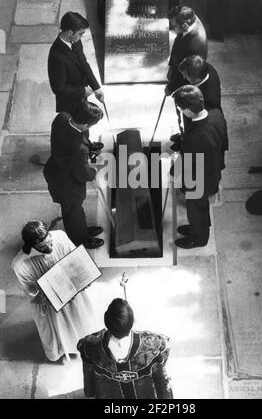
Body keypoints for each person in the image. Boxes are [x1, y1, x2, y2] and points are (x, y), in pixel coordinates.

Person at [12, 221, 98, 362]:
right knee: (60, 328)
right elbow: (33, 293)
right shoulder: (20, 264)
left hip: (74, 291)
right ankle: (65, 350)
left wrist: (84, 278)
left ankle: (83, 344)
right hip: (52, 304)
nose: (50, 247)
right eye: (43, 246)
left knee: (80, 317)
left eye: (49, 240)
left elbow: (75, 259)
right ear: (32, 245)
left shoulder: (59, 236)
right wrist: (56, 294)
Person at [77, 298, 173, 399]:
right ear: (132, 321)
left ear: (106, 320)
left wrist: (89, 393)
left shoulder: (89, 346)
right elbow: (163, 383)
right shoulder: (155, 344)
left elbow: (89, 385)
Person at [172, 86, 228, 249]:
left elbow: (186, 160)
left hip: (199, 180)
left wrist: (173, 173)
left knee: (195, 209)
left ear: (187, 111)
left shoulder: (193, 137)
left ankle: (199, 238)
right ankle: (198, 228)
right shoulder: (217, 115)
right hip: (213, 170)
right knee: (200, 207)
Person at [43, 101, 104, 250]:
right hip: (67, 183)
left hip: (56, 169)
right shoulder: (79, 149)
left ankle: (82, 229)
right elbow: (83, 174)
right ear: (84, 126)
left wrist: (88, 147)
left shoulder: (62, 117)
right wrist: (94, 170)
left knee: (74, 210)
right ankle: (80, 239)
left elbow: (74, 139)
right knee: (72, 213)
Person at [48, 11, 104, 115]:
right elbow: (59, 89)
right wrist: (82, 91)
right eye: (80, 33)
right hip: (70, 103)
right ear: (70, 32)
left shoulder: (75, 40)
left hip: (82, 94)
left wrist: (96, 88)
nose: (82, 37)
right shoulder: (56, 56)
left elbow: (84, 64)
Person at [170, 55, 222, 150]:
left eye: (186, 76)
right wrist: (171, 87)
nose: (183, 77)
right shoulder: (205, 67)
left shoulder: (209, 100)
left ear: (195, 79)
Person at [165, 6, 208, 97]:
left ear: (185, 25)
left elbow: (186, 75)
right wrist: (171, 66)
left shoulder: (194, 47)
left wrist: (171, 88)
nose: (172, 28)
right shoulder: (191, 19)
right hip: (179, 69)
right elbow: (178, 41)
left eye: (174, 26)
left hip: (184, 83)